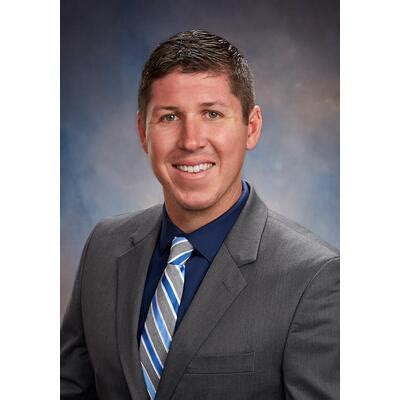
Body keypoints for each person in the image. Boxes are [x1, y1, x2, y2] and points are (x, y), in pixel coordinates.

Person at [61, 30, 339, 400]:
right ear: (143, 132)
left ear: (251, 127)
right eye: (169, 117)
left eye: (212, 114)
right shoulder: (104, 246)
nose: (191, 140)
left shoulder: (315, 278)